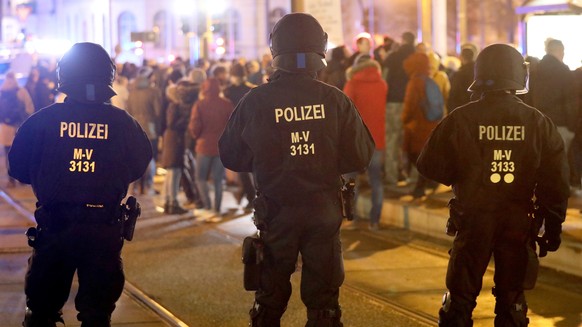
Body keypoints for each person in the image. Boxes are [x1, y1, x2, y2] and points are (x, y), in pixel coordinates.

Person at [219, 13, 374, 326]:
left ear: (277, 53)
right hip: (323, 211)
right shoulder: (335, 100)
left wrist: (267, 160)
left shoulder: (256, 101)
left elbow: (231, 155)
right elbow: (360, 155)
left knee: (269, 302)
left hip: (276, 212)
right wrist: (325, 161)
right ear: (320, 54)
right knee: (325, 306)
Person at [417, 44, 570, 326]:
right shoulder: (538, 122)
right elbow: (557, 181)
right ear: (518, 77)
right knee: (512, 305)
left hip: (472, 219)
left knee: (459, 302)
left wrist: (463, 172)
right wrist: (554, 225)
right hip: (518, 222)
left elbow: (429, 165)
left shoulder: (460, 118)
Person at [8, 42, 152, 327]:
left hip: (55, 227)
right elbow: (139, 163)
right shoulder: (123, 122)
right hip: (104, 229)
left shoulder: (42, 121)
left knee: (41, 312)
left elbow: (18, 168)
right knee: (98, 315)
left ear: (64, 76)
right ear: (107, 76)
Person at [343, 54, 387, 230]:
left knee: (351, 182)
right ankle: (374, 221)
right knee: (376, 180)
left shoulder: (352, 84)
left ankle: (351, 220)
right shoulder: (382, 84)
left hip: (355, 141)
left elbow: (345, 114)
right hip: (377, 141)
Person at [529, 38, 578, 187]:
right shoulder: (563, 71)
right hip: (560, 123)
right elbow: (570, 100)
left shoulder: (536, 70)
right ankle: (558, 189)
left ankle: (542, 187)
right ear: (559, 51)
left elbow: (529, 97)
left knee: (542, 158)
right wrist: (572, 125)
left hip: (539, 121)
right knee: (559, 159)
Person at [189, 77, 234, 220]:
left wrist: (196, 137)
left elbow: (195, 126)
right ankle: (217, 209)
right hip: (221, 147)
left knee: (200, 177)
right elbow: (232, 126)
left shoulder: (200, 104)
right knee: (218, 179)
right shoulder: (227, 104)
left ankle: (207, 207)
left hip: (204, 146)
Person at [402, 52, 442, 200]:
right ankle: (428, 183)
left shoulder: (414, 82)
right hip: (430, 124)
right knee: (421, 157)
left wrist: (404, 119)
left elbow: (410, 105)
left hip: (416, 126)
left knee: (415, 157)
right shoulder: (429, 80)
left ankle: (421, 187)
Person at [382, 31, 416, 185]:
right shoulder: (417, 58)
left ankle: (392, 175)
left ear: (402, 41)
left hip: (393, 103)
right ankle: (411, 175)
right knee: (410, 140)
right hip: (412, 104)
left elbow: (384, 80)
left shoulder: (392, 57)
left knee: (392, 139)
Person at [161, 79, 199, 214]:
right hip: (175, 140)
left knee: (173, 172)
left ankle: (169, 201)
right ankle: (173, 202)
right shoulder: (174, 106)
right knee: (174, 172)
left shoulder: (173, 105)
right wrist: (185, 118)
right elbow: (172, 123)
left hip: (173, 140)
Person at [223, 63, 257, 210]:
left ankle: (249, 195)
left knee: (243, 167)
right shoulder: (253, 89)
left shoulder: (228, 92)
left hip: (237, 131)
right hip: (253, 131)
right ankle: (249, 194)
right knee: (254, 166)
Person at [126, 65, 163, 195]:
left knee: (135, 158)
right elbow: (158, 112)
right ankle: (148, 186)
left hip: (135, 129)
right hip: (150, 129)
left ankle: (134, 187)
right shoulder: (153, 92)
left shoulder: (132, 94)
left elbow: (128, 111)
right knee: (150, 158)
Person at [0, 71, 34, 187]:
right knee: (21, 151)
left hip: (5, 128)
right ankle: (21, 176)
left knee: (7, 153)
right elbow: (29, 107)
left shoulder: (2, 91)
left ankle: (10, 178)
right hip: (18, 127)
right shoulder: (21, 91)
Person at [448, 44, 477, 111]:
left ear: (462, 57)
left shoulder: (458, 74)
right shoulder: (478, 72)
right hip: (476, 108)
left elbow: (453, 94)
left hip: (462, 108)